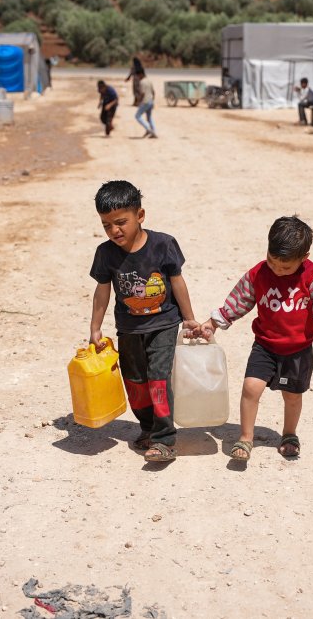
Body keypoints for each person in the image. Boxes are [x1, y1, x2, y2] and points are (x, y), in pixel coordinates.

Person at [196, 216, 313, 462]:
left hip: (297, 349)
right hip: (265, 344)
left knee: (292, 395)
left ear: (304, 258)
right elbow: (239, 300)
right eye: (272, 261)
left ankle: (289, 434)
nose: (277, 269)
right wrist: (214, 323)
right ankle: (245, 437)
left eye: (285, 267)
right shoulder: (259, 273)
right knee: (251, 387)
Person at [89, 180, 201, 462]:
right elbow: (102, 291)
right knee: (135, 383)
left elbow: (177, 282)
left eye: (121, 222)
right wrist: (95, 327)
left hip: (163, 324)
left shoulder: (164, 244)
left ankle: (165, 439)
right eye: (106, 225)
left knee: (158, 379)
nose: (114, 230)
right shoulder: (105, 254)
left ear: (140, 215)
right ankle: (148, 427)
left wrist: (189, 319)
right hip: (128, 329)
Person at [133, 71, 157, 139]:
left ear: (141, 74)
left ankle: (148, 129)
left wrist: (139, 101)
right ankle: (154, 132)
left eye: (138, 76)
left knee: (137, 116)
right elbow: (153, 92)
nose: (138, 78)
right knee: (149, 118)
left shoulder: (142, 82)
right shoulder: (149, 81)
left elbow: (142, 93)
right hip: (150, 101)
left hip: (145, 102)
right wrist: (152, 101)